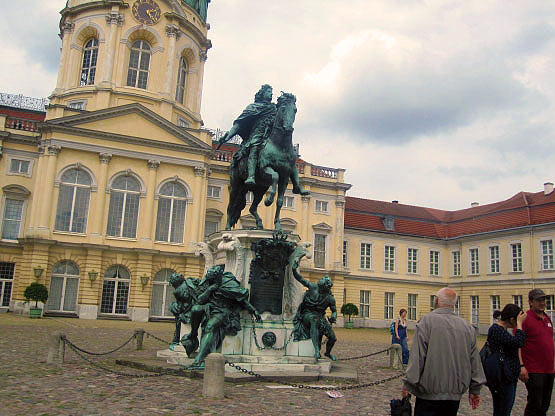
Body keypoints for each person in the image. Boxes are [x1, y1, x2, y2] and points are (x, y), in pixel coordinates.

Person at [402, 287, 485, 416]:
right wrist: (475, 389)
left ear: (436, 301)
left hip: (428, 394)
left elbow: (417, 356)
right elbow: (474, 360)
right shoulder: (467, 327)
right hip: (454, 395)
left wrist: (408, 384)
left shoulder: (427, 322)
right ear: (454, 304)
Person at [182, 265, 262, 369]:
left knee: (209, 327)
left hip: (223, 311)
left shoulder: (228, 283)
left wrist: (254, 311)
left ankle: (199, 359)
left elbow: (242, 299)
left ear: (218, 277)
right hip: (210, 307)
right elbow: (200, 301)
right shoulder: (209, 282)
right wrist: (210, 289)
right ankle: (193, 334)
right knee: (195, 309)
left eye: (211, 279)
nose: (208, 280)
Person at [217, 84, 276, 188]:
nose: (271, 94)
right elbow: (239, 125)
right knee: (255, 147)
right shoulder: (253, 107)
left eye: (271, 92)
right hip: (256, 136)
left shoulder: (273, 108)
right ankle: (251, 176)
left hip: (270, 137)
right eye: (268, 92)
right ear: (262, 94)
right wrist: (227, 137)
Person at [291, 259, 338, 363]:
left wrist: (334, 316)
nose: (320, 284)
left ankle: (328, 353)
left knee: (333, 338)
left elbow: (334, 310)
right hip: (307, 314)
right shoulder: (313, 287)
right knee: (314, 320)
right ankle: (317, 350)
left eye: (324, 284)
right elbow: (300, 279)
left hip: (320, 317)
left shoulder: (330, 298)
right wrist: (294, 270)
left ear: (326, 288)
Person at [519, 288, 555, 416]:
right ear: (530, 302)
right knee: (535, 404)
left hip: (549, 369)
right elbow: (518, 344)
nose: (542, 302)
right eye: (538, 300)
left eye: (543, 299)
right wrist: (522, 366)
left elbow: (550, 341)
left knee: (545, 405)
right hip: (534, 369)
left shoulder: (546, 318)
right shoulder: (525, 318)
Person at [486, 304, 526, 416]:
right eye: (517, 320)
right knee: (503, 411)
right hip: (502, 378)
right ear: (512, 319)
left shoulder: (501, 329)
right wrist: (519, 325)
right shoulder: (497, 330)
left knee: (504, 410)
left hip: (508, 376)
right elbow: (519, 342)